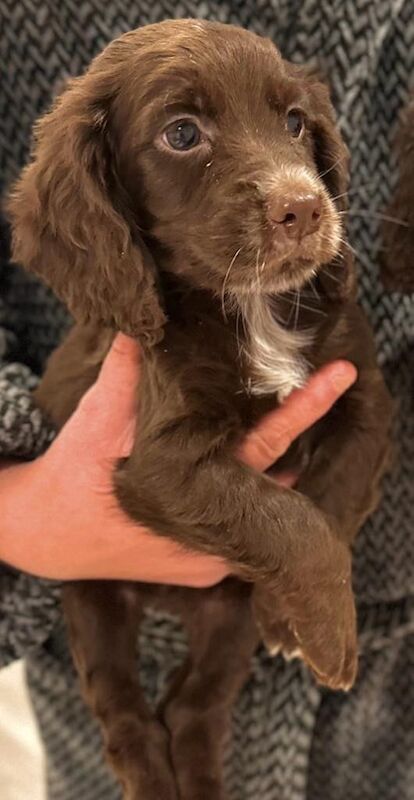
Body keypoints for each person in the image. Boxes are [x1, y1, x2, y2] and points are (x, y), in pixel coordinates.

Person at [0, 2, 413, 799]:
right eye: (182, 133)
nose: (297, 192)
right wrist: (13, 507)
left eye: (295, 124)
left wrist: (315, 553)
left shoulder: (326, 313)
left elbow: (366, 422)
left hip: (388, 629)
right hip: (67, 569)